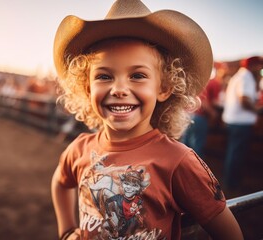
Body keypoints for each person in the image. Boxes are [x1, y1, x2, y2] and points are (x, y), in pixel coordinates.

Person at [51, 0, 243, 239]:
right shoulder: (79, 149)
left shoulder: (178, 162)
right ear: (87, 88)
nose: (119, 88)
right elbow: (60, 182)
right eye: (104, 76)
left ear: (163, 87)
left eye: (137, 75)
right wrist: (67, 230)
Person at [222, 56, 263, 192]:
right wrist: (257, 110)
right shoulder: (246, 77)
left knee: (234, 152)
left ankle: (230, 181)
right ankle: (232, 184)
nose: (260, 68)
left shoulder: (240, 76)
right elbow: (244, 100)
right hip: (240, 122)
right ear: (253, 65)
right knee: (236, 153)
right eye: (258, 65)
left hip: (235, 121)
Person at [182, 63, 228, 157]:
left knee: (184, 146)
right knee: (196, 147)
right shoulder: (214, 82)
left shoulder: (203, 81)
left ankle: (181, 169)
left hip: (188, 114)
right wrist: (213, 113)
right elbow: (206, 101)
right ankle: (193, 170)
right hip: (200, 117)